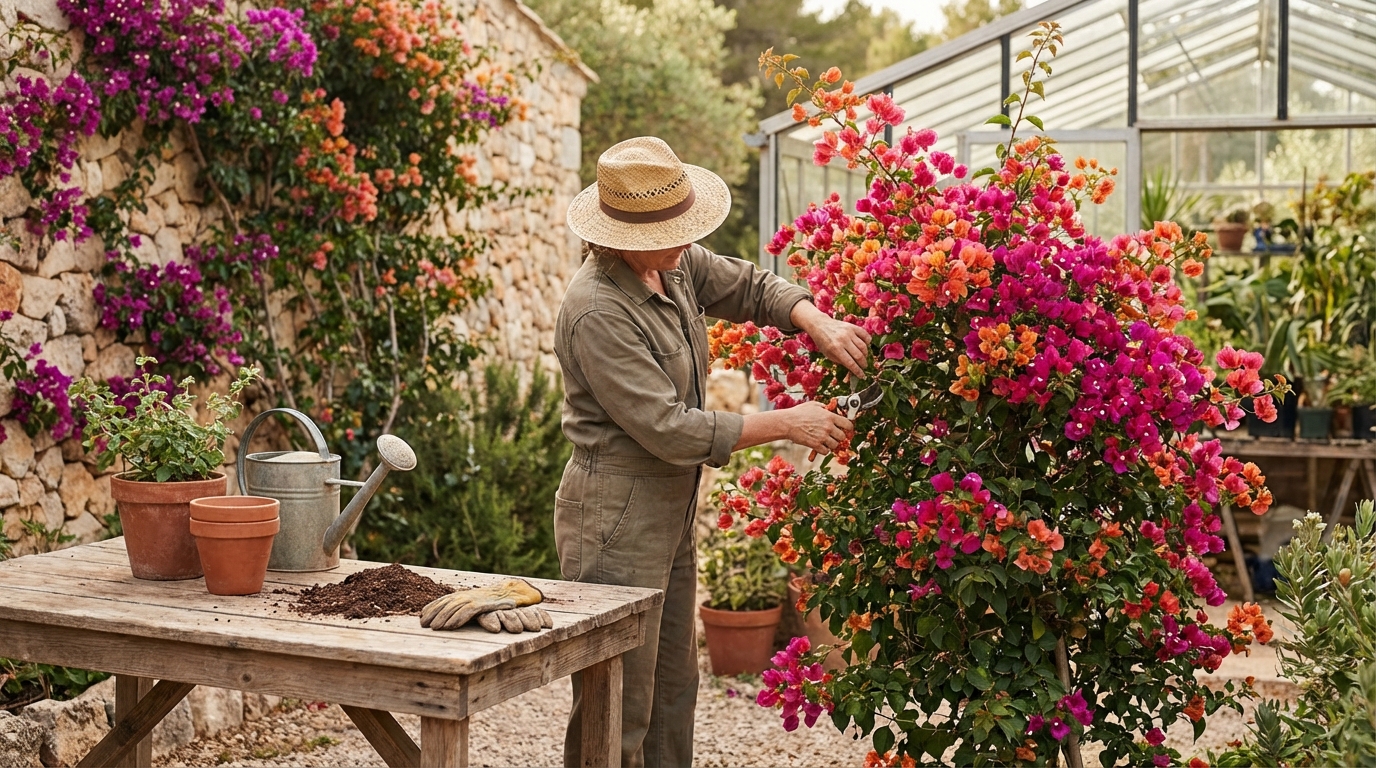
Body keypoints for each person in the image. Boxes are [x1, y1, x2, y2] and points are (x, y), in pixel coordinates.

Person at [555, 136, 870, 768]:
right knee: (618, 704)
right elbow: (669, 429)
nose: (686, 241)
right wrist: (789, 422)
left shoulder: (669, 263)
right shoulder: (596, 308)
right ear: (622, 234)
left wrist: (817, 320)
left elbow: (750, 286)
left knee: (674, 688)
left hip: (667, 509)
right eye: (673, 231)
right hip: (615, 519)